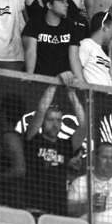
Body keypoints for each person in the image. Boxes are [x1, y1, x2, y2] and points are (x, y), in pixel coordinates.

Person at [23, 81, 86, 216]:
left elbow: (84, 126)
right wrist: (54, 84)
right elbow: (40, 111)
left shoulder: (65, 145)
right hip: (34, 208)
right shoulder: (33, 139)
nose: (55, 124)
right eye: (50, 120)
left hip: (57, 211)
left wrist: (72, 93)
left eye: (58, 120)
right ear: (43, 122)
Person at [66, 142, 112, 224]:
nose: (109, 161)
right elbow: (69, 211)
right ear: (95, 158)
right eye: (105, 157)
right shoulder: (80, 182)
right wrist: (89, 205)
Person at [22, 0, 84, 78]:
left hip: (63, 81)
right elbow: (30, 51)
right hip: (39, 80)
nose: (66, 5)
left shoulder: (70, 25)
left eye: (66, 2)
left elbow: (74, 56)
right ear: (49, 5)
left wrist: (80, 81)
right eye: (62, 2)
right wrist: (29, 77)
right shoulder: (34, 24)